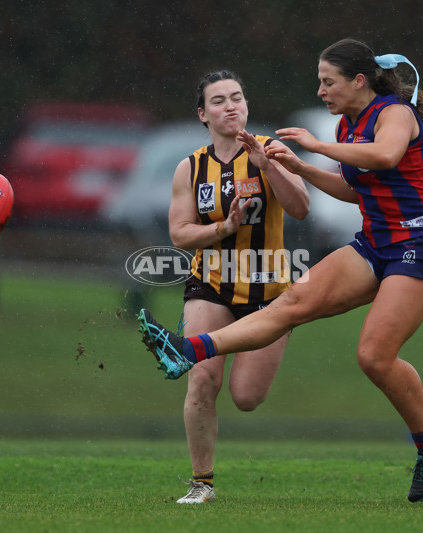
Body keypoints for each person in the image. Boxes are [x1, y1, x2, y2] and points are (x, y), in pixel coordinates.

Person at [139, 38, 423, 504]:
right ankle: (187, 349)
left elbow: (386, 157)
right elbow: (357, 192)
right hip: (378, 241)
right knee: (291, 303)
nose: (320, 91)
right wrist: (301, 166)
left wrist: (314, 145)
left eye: (327, 82)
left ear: (358, 81)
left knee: (373, 355)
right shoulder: (348, 127)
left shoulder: (395, 114)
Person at [158, 70, 309, 504]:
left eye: (238, 97)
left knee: (246, 397)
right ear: (203, 114)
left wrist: (269, 168)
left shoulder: (271, 150)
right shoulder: (191, 167)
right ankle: (201, 483)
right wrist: (223, 227)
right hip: (211, 284)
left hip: (269, 291)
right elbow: (181, 234)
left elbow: (301, 207)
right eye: (220, 101)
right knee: (202, 379)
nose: (232, 106)